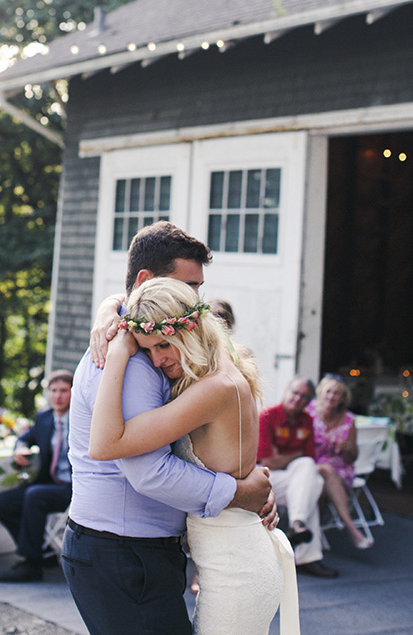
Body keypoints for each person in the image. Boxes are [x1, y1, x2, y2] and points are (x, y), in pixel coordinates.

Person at [62, 221, 277, 635]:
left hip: (145, 552)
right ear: (147, 281)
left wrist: (248, 479)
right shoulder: (134, 362)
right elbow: (147, 471)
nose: (197, 301)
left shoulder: (187, 362)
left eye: (198, 289)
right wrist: (241, 492)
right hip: (121, 551)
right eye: (189, 286)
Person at [89, 277, 300, 635]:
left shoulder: (214, 389)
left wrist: (119, 353)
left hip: (237, 568)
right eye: (147, 349)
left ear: (190, 330)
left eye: (163, 345)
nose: (157, 360)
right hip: (228, 560)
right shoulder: (221, 363)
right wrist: (108, 308)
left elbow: (103, 446)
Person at [0, 369, 74, 582]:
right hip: (49, 483)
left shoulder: (82, 418)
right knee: (2, 502)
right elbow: (24, 438)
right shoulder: (45, 417)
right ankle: (40, 550)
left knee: (35, 495)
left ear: (73, 393)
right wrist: (19, 449)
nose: (58, 396)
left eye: (64, 391)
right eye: (53, 391)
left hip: (74, 487)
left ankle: (31, 564)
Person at [258, 377, 338, 578]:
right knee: (313, 483)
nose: (298, 399)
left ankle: (297, 524)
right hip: (265, 479)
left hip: (294, 479)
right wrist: (295, 455)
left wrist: (286, 457)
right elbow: (268, 461)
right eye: (295, 393)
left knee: (308, 470)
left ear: (308, 401)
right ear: (286, 391)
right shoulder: (267, 416)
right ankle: (307, 556)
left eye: (304, 397)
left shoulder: (306, 420)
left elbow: (309, 458)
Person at [308, 374, 373, 549]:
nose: (331, 396)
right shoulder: (309, 412)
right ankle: (351, 528)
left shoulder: (349, 419)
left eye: (337, 393)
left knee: (323, 480)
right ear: (321, 392)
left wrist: (347, 448)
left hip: (341, 470)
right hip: (310, 464)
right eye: (328, 391)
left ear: (343, 398)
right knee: (324, 473)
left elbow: (352, 457)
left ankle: (312, 536)